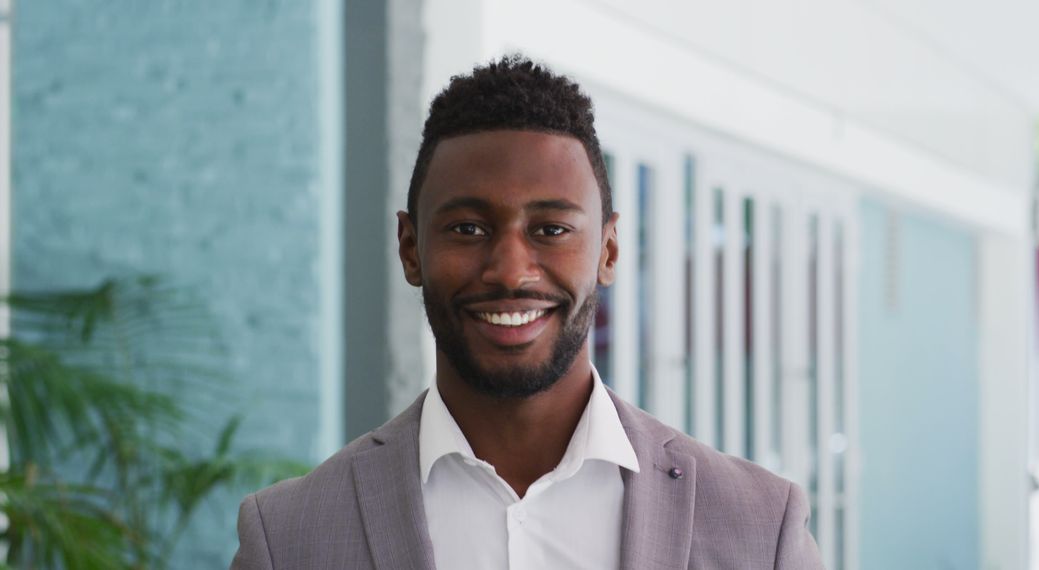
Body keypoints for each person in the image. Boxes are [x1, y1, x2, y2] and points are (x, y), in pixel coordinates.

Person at [231, 55, 824, 570]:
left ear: (608, 250)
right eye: (468, 227)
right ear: (411, 249)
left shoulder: (759, 527)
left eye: (551, 228)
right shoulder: (288, 537)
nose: (511, 270)